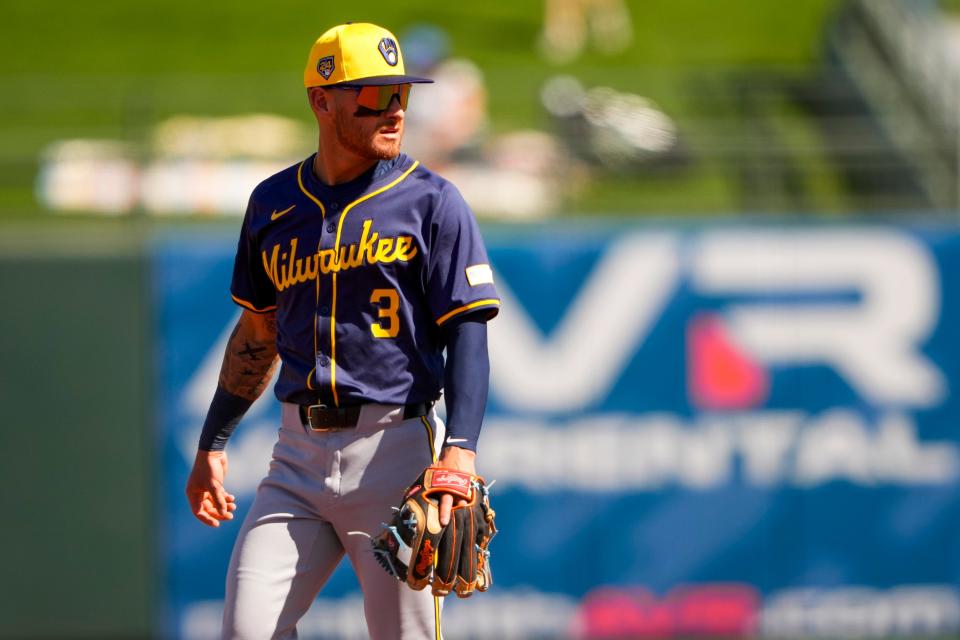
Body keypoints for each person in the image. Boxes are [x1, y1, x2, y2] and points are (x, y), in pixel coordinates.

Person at [184, 22, 500, 640]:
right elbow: (258, 332)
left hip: (395, 452)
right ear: (321, 100)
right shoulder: (274, 204)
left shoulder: (433, 201)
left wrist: (459, 451)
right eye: (374, 94)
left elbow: (469, 329)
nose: (395, 109)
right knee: (246, 631)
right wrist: (212, 443)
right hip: (295, 459)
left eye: (401, 93)